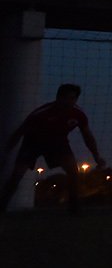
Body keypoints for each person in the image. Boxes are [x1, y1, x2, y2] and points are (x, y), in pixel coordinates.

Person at [2, 84, 106, 215]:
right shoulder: (40, 113)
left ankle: (74, 210)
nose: (69, 102)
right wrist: (6, 153)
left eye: (73, 98)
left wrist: (97, 157)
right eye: (66, 98)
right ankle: (2, 206)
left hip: (58, 143)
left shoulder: (78, 115)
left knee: (73, 172)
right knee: (16, 176)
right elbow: (19, 132)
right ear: (58, 98)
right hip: (33, 142)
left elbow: (88, 136)